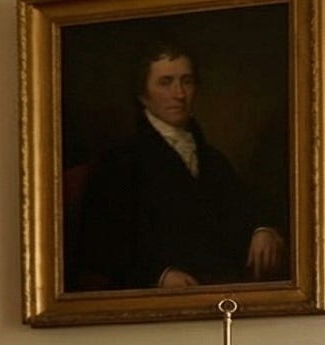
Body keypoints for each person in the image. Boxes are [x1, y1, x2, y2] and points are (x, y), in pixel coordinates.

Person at [71, 40, 287, 291]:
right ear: (143, 94)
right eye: (165, 83)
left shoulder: (213, 160)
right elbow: (100, 246)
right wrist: (159, 275)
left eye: (187, 81)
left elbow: (242, 210)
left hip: (220, 289)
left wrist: (262, 229)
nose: (180, 94)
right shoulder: (119, 162)